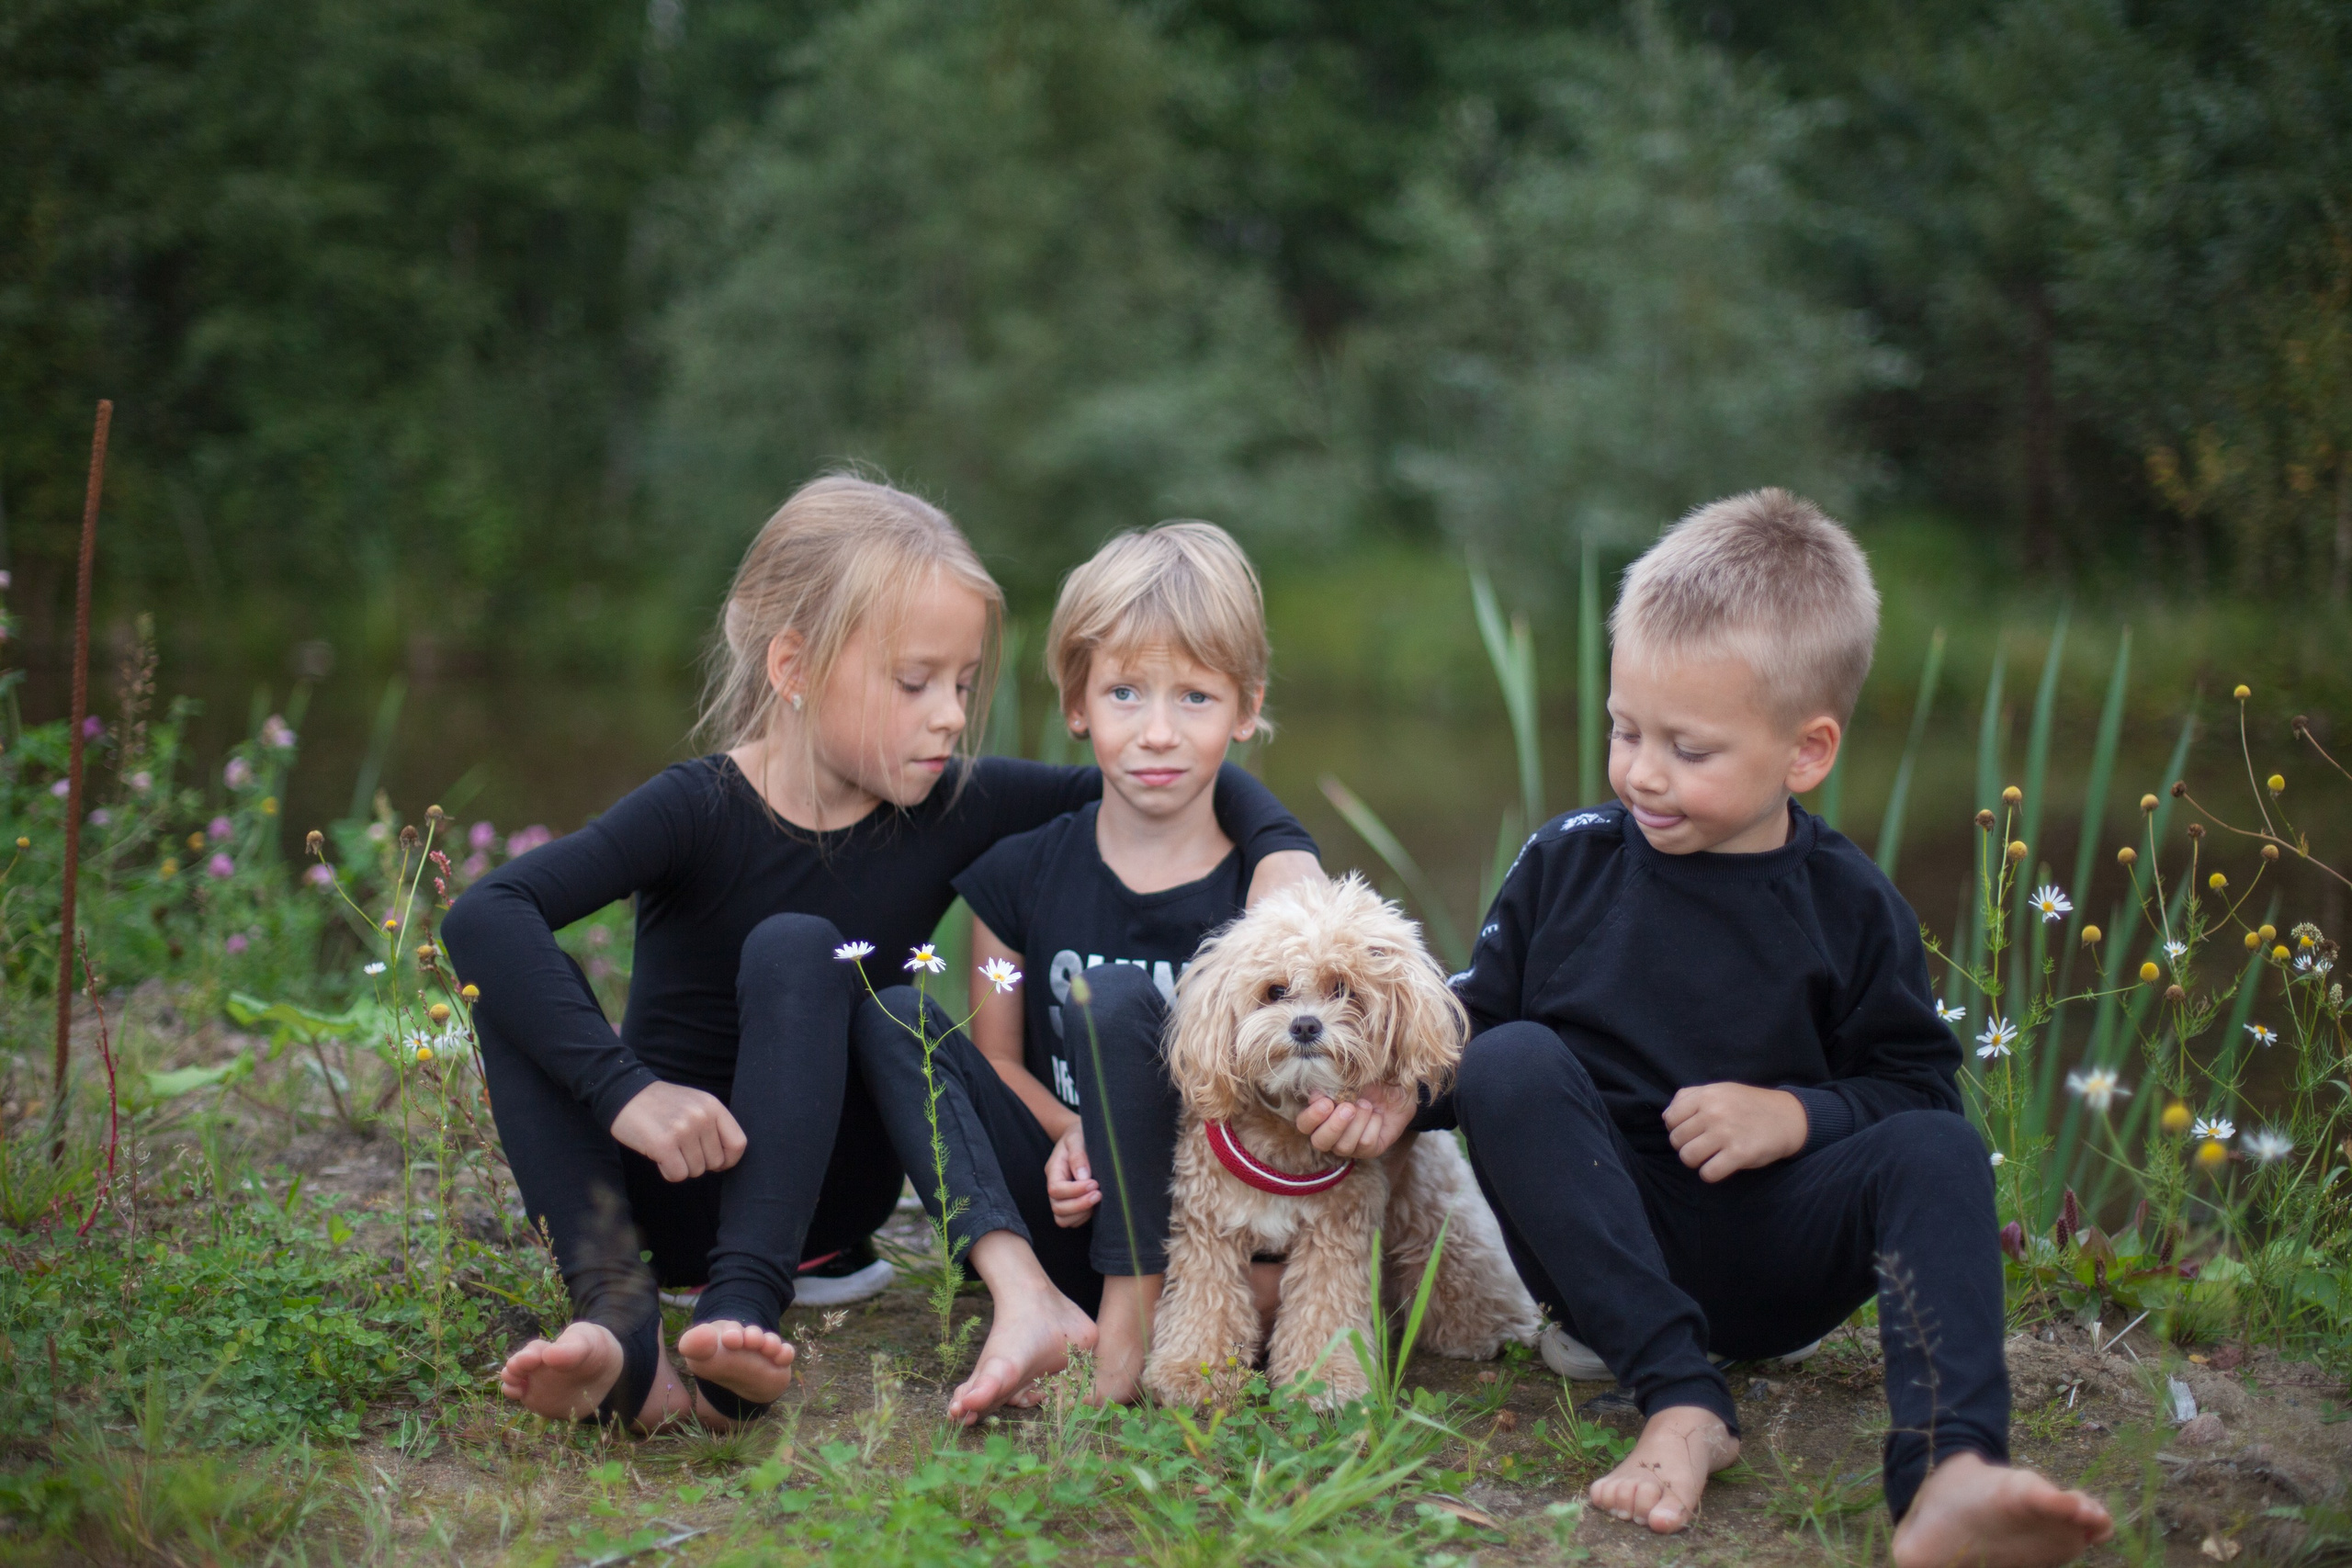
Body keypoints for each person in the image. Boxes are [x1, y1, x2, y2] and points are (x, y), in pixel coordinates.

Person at [439, 478, 1324, 1433]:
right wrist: (627, 1091)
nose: (949, 715)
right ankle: (619, 1321)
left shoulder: (949, 805)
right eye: (915, 683)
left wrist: (1282, 851)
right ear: (794, 666)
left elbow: (1153, 772)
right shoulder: (695, 809)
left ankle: (743, 1310)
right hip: (655, 1195)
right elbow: (484, 913)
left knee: (800, 946)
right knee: (513, 977)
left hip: (822, 1205)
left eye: (962, 684)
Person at [1417, 491, 2114, 1565]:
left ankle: (1949, 1471)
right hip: (1603, 1249)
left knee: (1936, 1147)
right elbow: (1468, 1034)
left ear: (1805, 751)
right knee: (1504, 1056)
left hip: (1778, 1252)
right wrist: (1390, 1094)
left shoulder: (1848, 904)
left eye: (1689, 749)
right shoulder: (1568, 862)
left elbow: (1917, 1089)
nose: (1643, 771)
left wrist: (1797, 1115)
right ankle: (1678, 1397)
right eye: (1624, 730)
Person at [852, 521, 1401, 1418]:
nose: (1157, 733)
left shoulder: (1265, 903)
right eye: (1124, 693)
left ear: (1247, 707)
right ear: (1077, 702)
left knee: (1111, 998)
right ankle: (1026, 1293)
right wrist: (1072, 1129)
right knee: (895, 1015)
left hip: (1199, 1221)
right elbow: (998, 1056)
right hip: (1064, 1198)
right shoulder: (1018, 877)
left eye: (1195, 697)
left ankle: (1167, 1320)